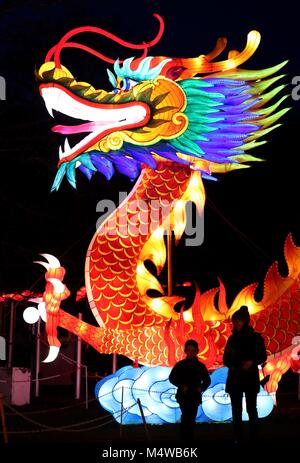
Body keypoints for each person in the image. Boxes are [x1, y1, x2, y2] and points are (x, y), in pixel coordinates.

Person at [223, 305, 267, 444]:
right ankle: (238, 438)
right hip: (235, 378)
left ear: (245, 321)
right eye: (234, 321)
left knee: (251, 409)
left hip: (249, 379)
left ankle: (254, 437)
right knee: (236, 411)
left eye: (239, 321)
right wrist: (235, 364)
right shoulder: (232, 339)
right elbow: (226, 359)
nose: (236, 324)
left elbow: (262, 356)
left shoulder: (255, 338)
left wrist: (252, 362)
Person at [169, 339, 211, 441]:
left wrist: (201, 388)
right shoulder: (180, 365)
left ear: (197, 351)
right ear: (185, 351)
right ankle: (185, 438)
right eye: (189, 350)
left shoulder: (200, 366)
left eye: (193, 350)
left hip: (195, 395)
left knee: (191, 417)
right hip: (183, 395)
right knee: (186, 416)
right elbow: (172, 378)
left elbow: (207, 380)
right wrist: (181, 385)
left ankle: (189, 439)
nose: (191, 352)